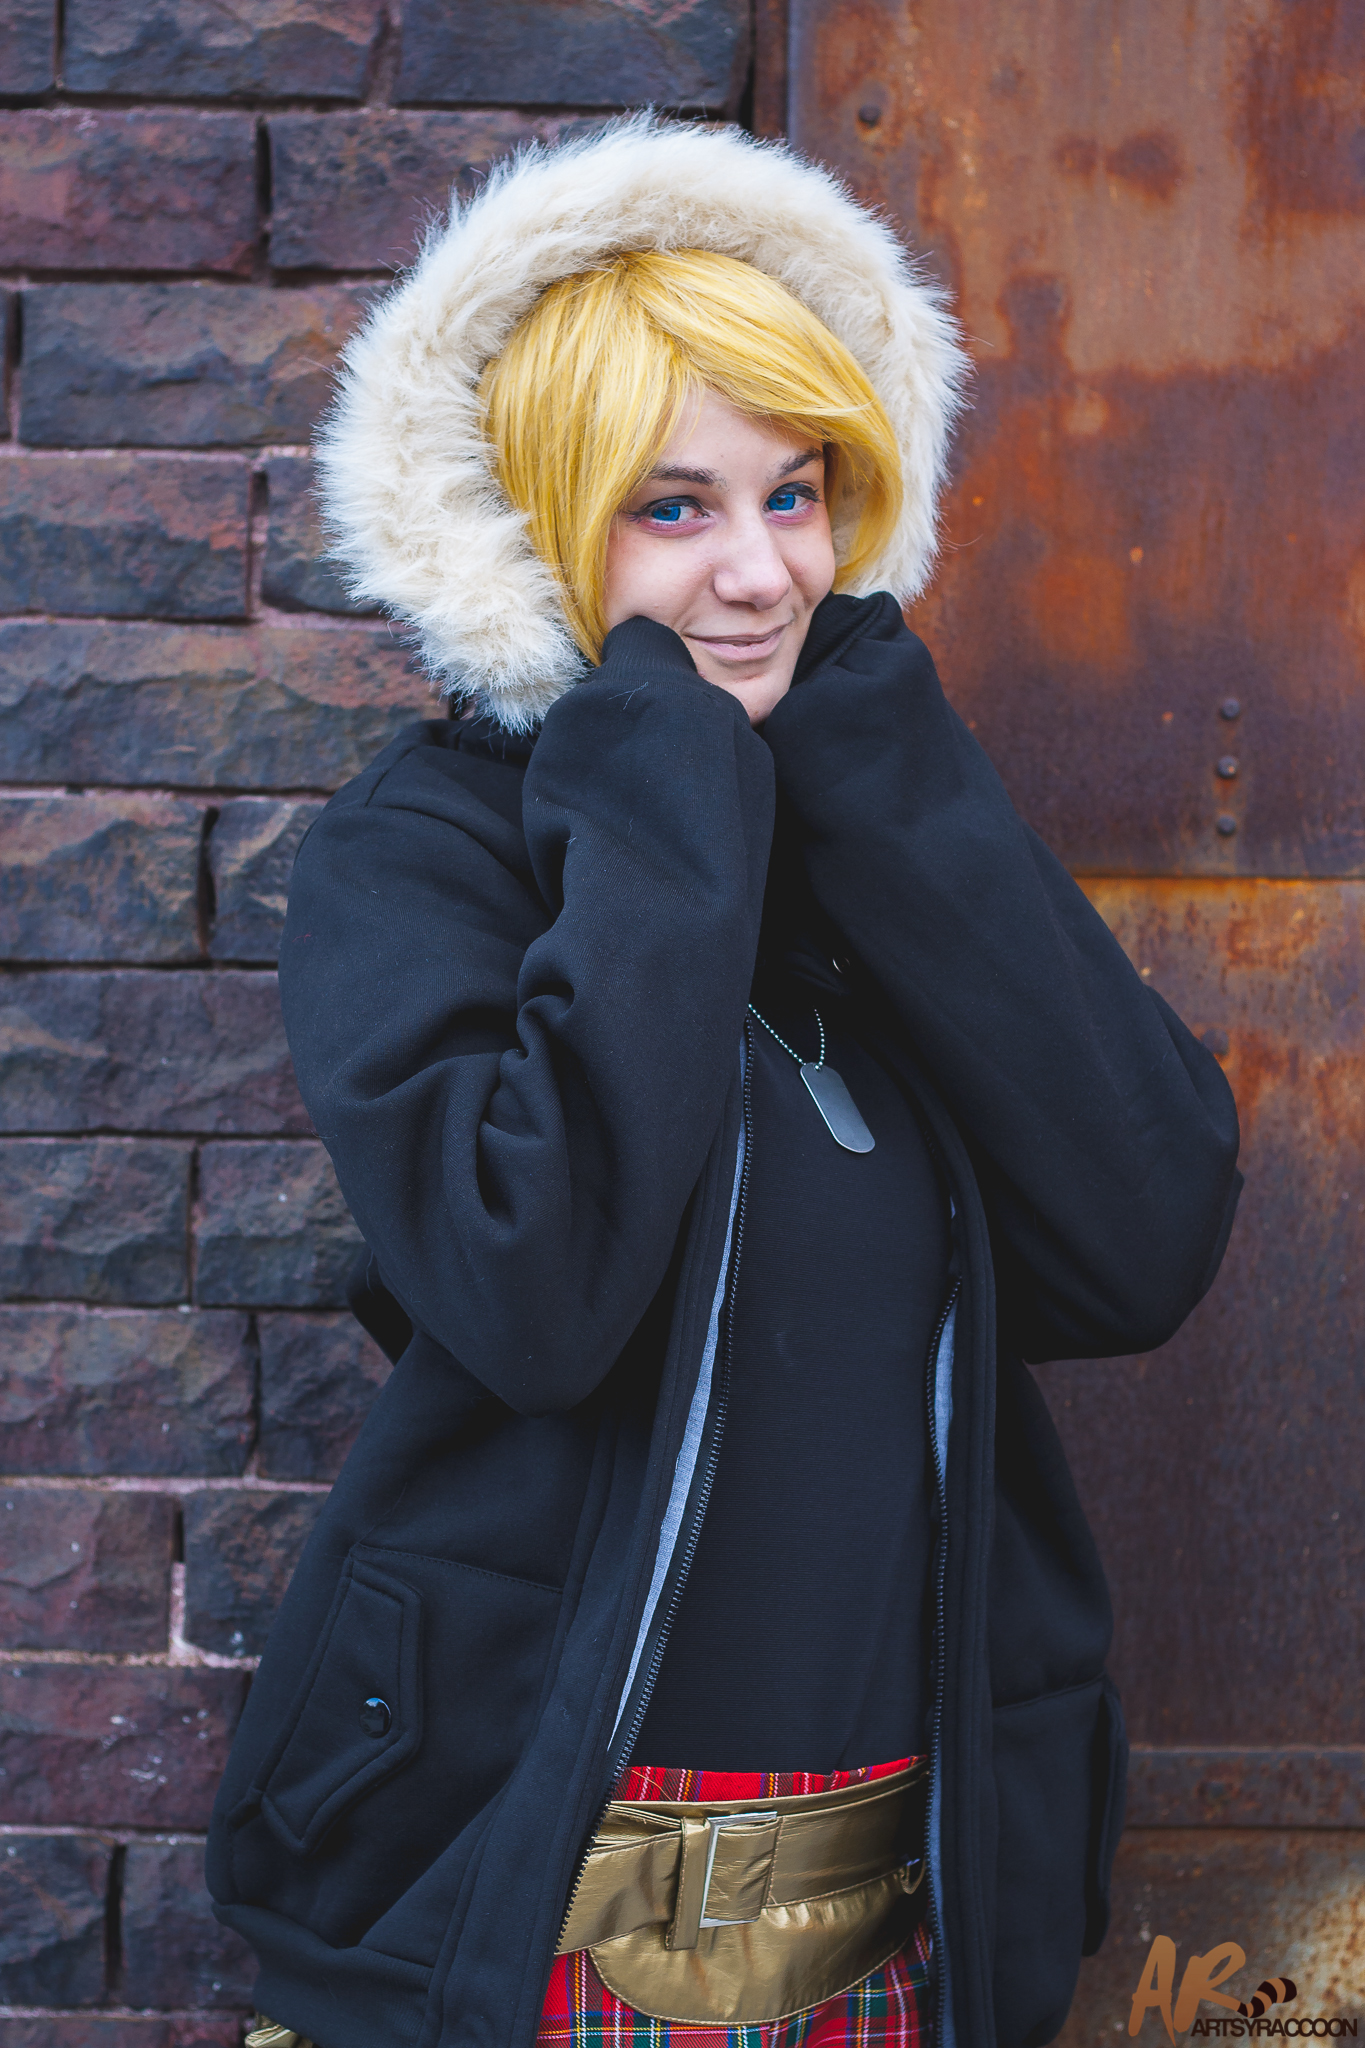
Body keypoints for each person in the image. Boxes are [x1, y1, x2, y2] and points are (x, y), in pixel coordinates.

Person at [206, 117, 1241, 2048]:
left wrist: (885, 781)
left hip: (900, 1919)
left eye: (796, 494)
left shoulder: (869, 824)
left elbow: (1144, 1233)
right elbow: (534, 1289)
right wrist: (659, 770)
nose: (757, 571)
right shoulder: (423, 855)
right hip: (531, 1906)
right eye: (670, 509)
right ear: (541, 519)